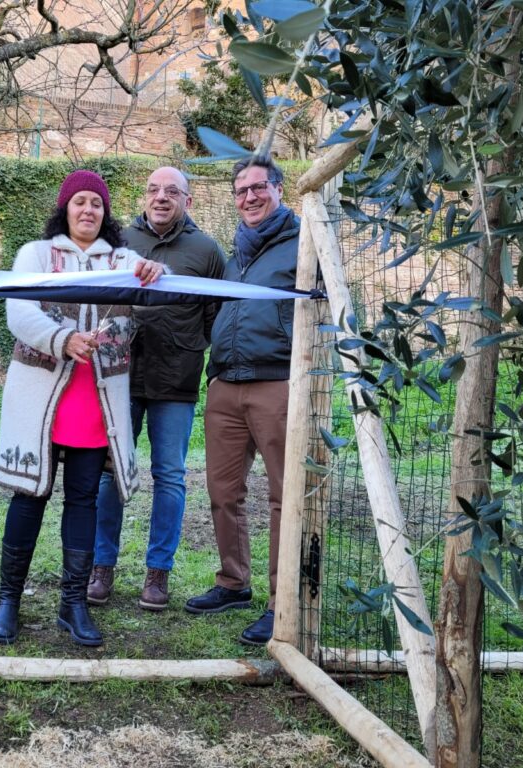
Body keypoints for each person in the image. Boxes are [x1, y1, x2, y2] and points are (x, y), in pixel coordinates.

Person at [0, 169, 164, 648]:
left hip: (95, 400)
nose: (89, 210)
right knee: (30, 496)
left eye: (97, 204)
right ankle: (9, 599)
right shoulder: (36, 254)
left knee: (83, 498)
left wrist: (155, 272)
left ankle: (73, 604)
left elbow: (153, 280)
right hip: (42, 395)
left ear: (106, 214)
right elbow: (18, 309)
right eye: (80, 201)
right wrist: (63, 339)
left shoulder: (124, 258)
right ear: (65, 207)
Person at [89, 167, 225, 611]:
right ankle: (101, 566)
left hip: (176, 381)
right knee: (112, 471)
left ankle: (157, 574)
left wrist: (189, 348)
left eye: (171, 191)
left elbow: (215, 317)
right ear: (144, 197)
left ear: (188, 198)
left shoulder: (206, 250)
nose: (161, 197)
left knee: (170, 475)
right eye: (153, 190)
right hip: (121, 377)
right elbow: (99, 300)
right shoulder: (120, 242)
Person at [185, 156, 299, 646]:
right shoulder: (238, 252)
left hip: (276, 383)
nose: (249, 197)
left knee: (284, 498)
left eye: (258, 188)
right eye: (240, 191)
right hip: (225, 384)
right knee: (223, 491)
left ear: (278, 188)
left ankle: (283, 602)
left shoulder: (303, 242)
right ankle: (233, 583)